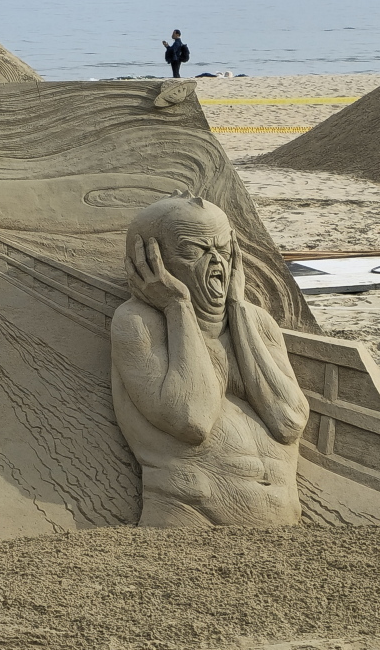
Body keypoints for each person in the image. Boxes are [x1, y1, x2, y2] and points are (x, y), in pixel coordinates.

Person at [111, 192, 310, 528]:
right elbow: (191, 418)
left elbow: (288, 421)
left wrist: (238, 308)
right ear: (151, 261)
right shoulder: (137, 323)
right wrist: (178, 306)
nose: (217, 262)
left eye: (223, 249)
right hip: (190, 520)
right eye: (195, 251)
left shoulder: (257, 323)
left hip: (286, 527)